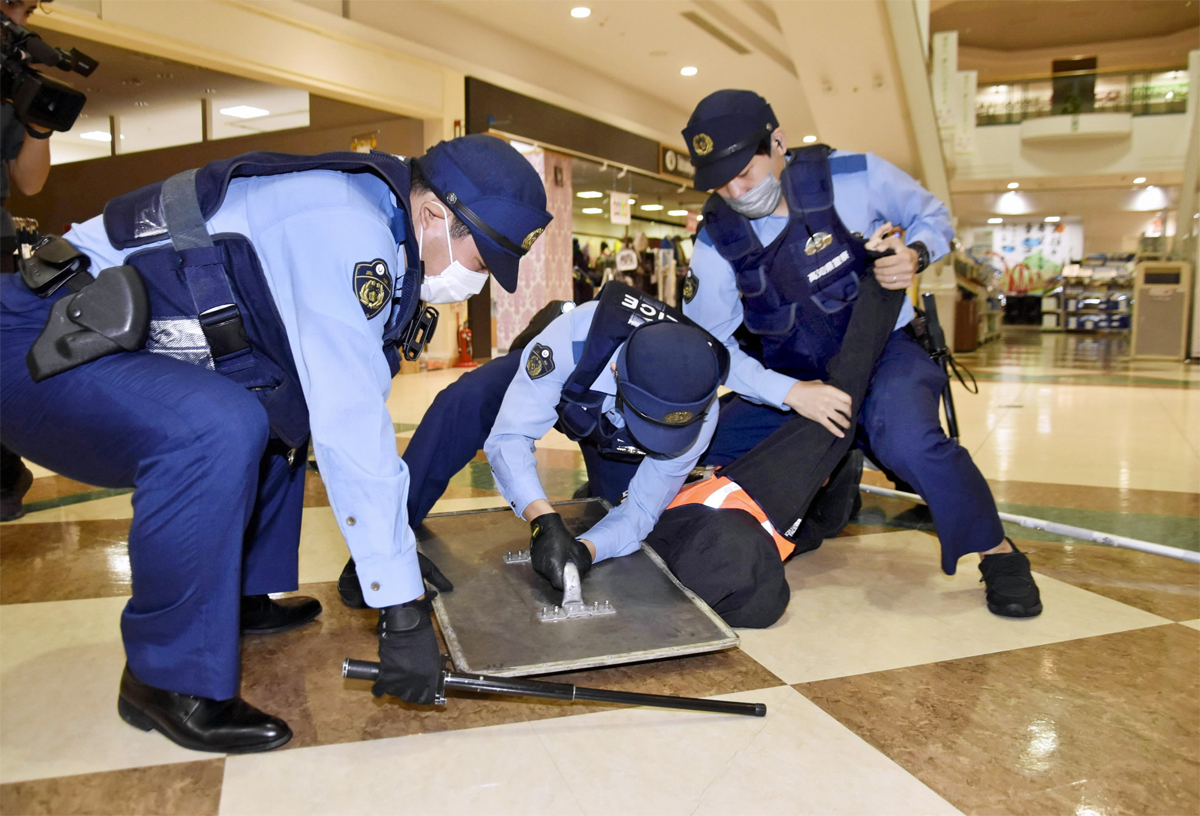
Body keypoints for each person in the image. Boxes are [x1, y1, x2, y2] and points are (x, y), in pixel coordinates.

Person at [0, 134, 553, 753]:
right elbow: (351, 420)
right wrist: (401, 604)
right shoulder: (347, 228)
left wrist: (385, 547)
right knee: (219, 424)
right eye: (481, 264)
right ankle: (164, 678)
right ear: (434, 215)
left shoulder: (381, 216)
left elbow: (331, 388)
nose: (476, 283)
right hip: (37, 346)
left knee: (274, 399)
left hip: (99, 349)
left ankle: (240, 594)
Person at [681, 89, 1041, 618]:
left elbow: (934, 217)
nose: (735, 190)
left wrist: (913, 255)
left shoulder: (853, 176)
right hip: (799, 379)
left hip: (885, 352)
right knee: (702, 438)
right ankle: (828, 494)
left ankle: (999, 552)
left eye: (746, 171)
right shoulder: (717, 240)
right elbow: (714, 347)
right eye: (721, 180)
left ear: (777, 141)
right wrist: (791, 393)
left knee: (906, 440)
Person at [483, 284, 747, 605]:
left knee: (615, 512)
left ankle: (593, 486)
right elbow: (510, 437)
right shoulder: (570, 338)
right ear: (616, 371)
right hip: (563, 392)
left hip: (615, 428)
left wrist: (586, 550)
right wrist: (542, 518)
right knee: (463, 402)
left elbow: (639, 512)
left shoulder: (701, 408)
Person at [0, 0, 54, 521]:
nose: (20, 22)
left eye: (28, 10)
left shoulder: (10, 77)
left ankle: (3, 473)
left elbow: (30, 181)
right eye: (12, 7)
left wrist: (38, 127)